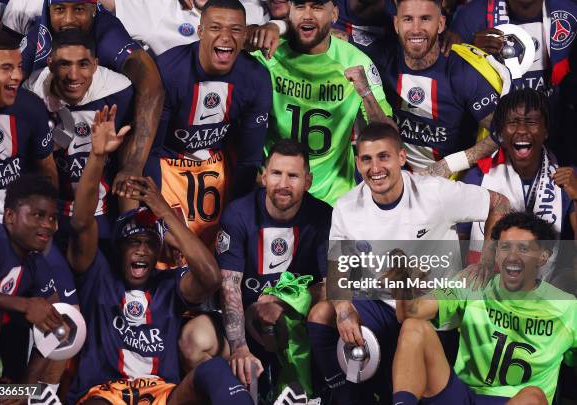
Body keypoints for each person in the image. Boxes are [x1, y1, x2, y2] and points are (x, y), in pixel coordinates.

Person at [306, 122, 512, 404]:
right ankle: (344, 398)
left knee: (410, 322)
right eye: (366, 159)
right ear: (357, 162)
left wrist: (487, 261)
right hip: (380, 306)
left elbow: (499, 203)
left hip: (430, 311)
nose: (375, 167)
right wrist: (343, 308)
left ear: (401, 158)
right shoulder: (347, 205)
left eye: (383, 156)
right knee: (321, 314)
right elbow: (338, 264)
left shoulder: (435, 194)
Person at [65, 105, 253, 405]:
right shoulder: (98, 275)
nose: (141, 249)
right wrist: (98, 157)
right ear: (119, 248)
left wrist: (163, 209)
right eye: (133, 242)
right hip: (104, 394)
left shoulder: (168, 284)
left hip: (163, 394)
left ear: (157, 253)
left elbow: (211, 276)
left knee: (213, 370)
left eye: (149, 244)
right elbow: (80, 222)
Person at [391, 212, 576, 405]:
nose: (512, 257)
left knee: (533, 396)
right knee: (414, 327)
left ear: (543, 257)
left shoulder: (566, 307)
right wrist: (403, 284)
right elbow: (408, 314)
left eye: (523, 248)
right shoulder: (473, 284)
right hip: (463, 396)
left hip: (513, 400)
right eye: (505, 247)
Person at [147, 0, 272, 249]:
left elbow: (249, 160)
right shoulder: (168, 71)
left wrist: (236, 223)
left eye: (236, 30)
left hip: (219, 172)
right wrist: (158, 218)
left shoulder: (255, 78)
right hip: (168, 171)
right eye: (215, 27)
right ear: (200, 30)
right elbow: (151, 151)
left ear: (245, 34)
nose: (226, 37)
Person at [19, 0, 164, 213]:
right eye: (59, 10)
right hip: (56, 133)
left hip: (107, 132)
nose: (68, 20)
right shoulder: (38, 33)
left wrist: (133, 162)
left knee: (138, 166)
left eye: (78, 9)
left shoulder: (108, 33)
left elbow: (151, 85)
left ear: (94, 9)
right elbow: (1, 75)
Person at [252, 0, 394, 206]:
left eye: (317, 7)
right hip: (275, 189)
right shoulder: (268, 55)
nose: (307, 14)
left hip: (333, 198)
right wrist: (275, 27)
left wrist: (365, 92)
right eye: (300, 6)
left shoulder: (356, 61)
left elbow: (388, 135)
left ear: (334, 14)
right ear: (290, 13)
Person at [217, 139, 331, 389]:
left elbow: (333, 285)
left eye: (293, 176)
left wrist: (282, 303)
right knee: (200, 341)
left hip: (296, 319)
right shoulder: (238, 214)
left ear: (308, 181)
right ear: (263, 177)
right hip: (245, 317)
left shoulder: (324, 216)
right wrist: (239, 348)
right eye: (276, 174)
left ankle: (321, 391)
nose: (283, 184)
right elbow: (229, 287)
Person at [23, 29, 133, 248]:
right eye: (64, 64)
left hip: (100, 214)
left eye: (83, 64)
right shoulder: (31, 94)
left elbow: (129, 166)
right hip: (47, 213)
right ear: (50, 63)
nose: (73, 75)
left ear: (95, 64)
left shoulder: (120, 92)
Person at [372, 0, 504, 177]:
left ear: (441, 24)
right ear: (396, 24)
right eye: (408, 19)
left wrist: (448, 165)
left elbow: (503, 131)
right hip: (395, 180)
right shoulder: (380, 60)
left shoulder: (463, 72)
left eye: (425, 19)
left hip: (450, 186)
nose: (416, 29)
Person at [459, 89, 576, 272]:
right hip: (487, 290)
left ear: (545, 131)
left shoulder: (568, 178)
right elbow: (458, 245)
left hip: (543, 292)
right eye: (512, 122)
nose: (522, 130)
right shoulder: (478, 178)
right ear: (501, 132)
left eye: (532, 122)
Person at [0, 174, 67, 380]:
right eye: (38, 215)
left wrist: (26, 387)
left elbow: (59, 328)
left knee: (21, 327)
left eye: (53, 218)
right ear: (10, 216)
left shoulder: (37, 264)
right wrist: (24, 305)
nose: (48, 225)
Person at [0, 29, 57, 235]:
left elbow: (47, 169)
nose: (17, 76)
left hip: (22, 228)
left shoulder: (31, 106)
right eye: (6, 68)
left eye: (19, 67)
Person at [448, 0, 577, 97]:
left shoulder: (570, 13)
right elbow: (450, 85)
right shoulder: (471, 16)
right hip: (493, 123)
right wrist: (471, 55)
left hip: (556, 122)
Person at [98, 0, 267, 57]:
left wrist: (277, 26)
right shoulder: (160, 7)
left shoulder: (249, 10)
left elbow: (285, 17)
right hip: (174, 113)